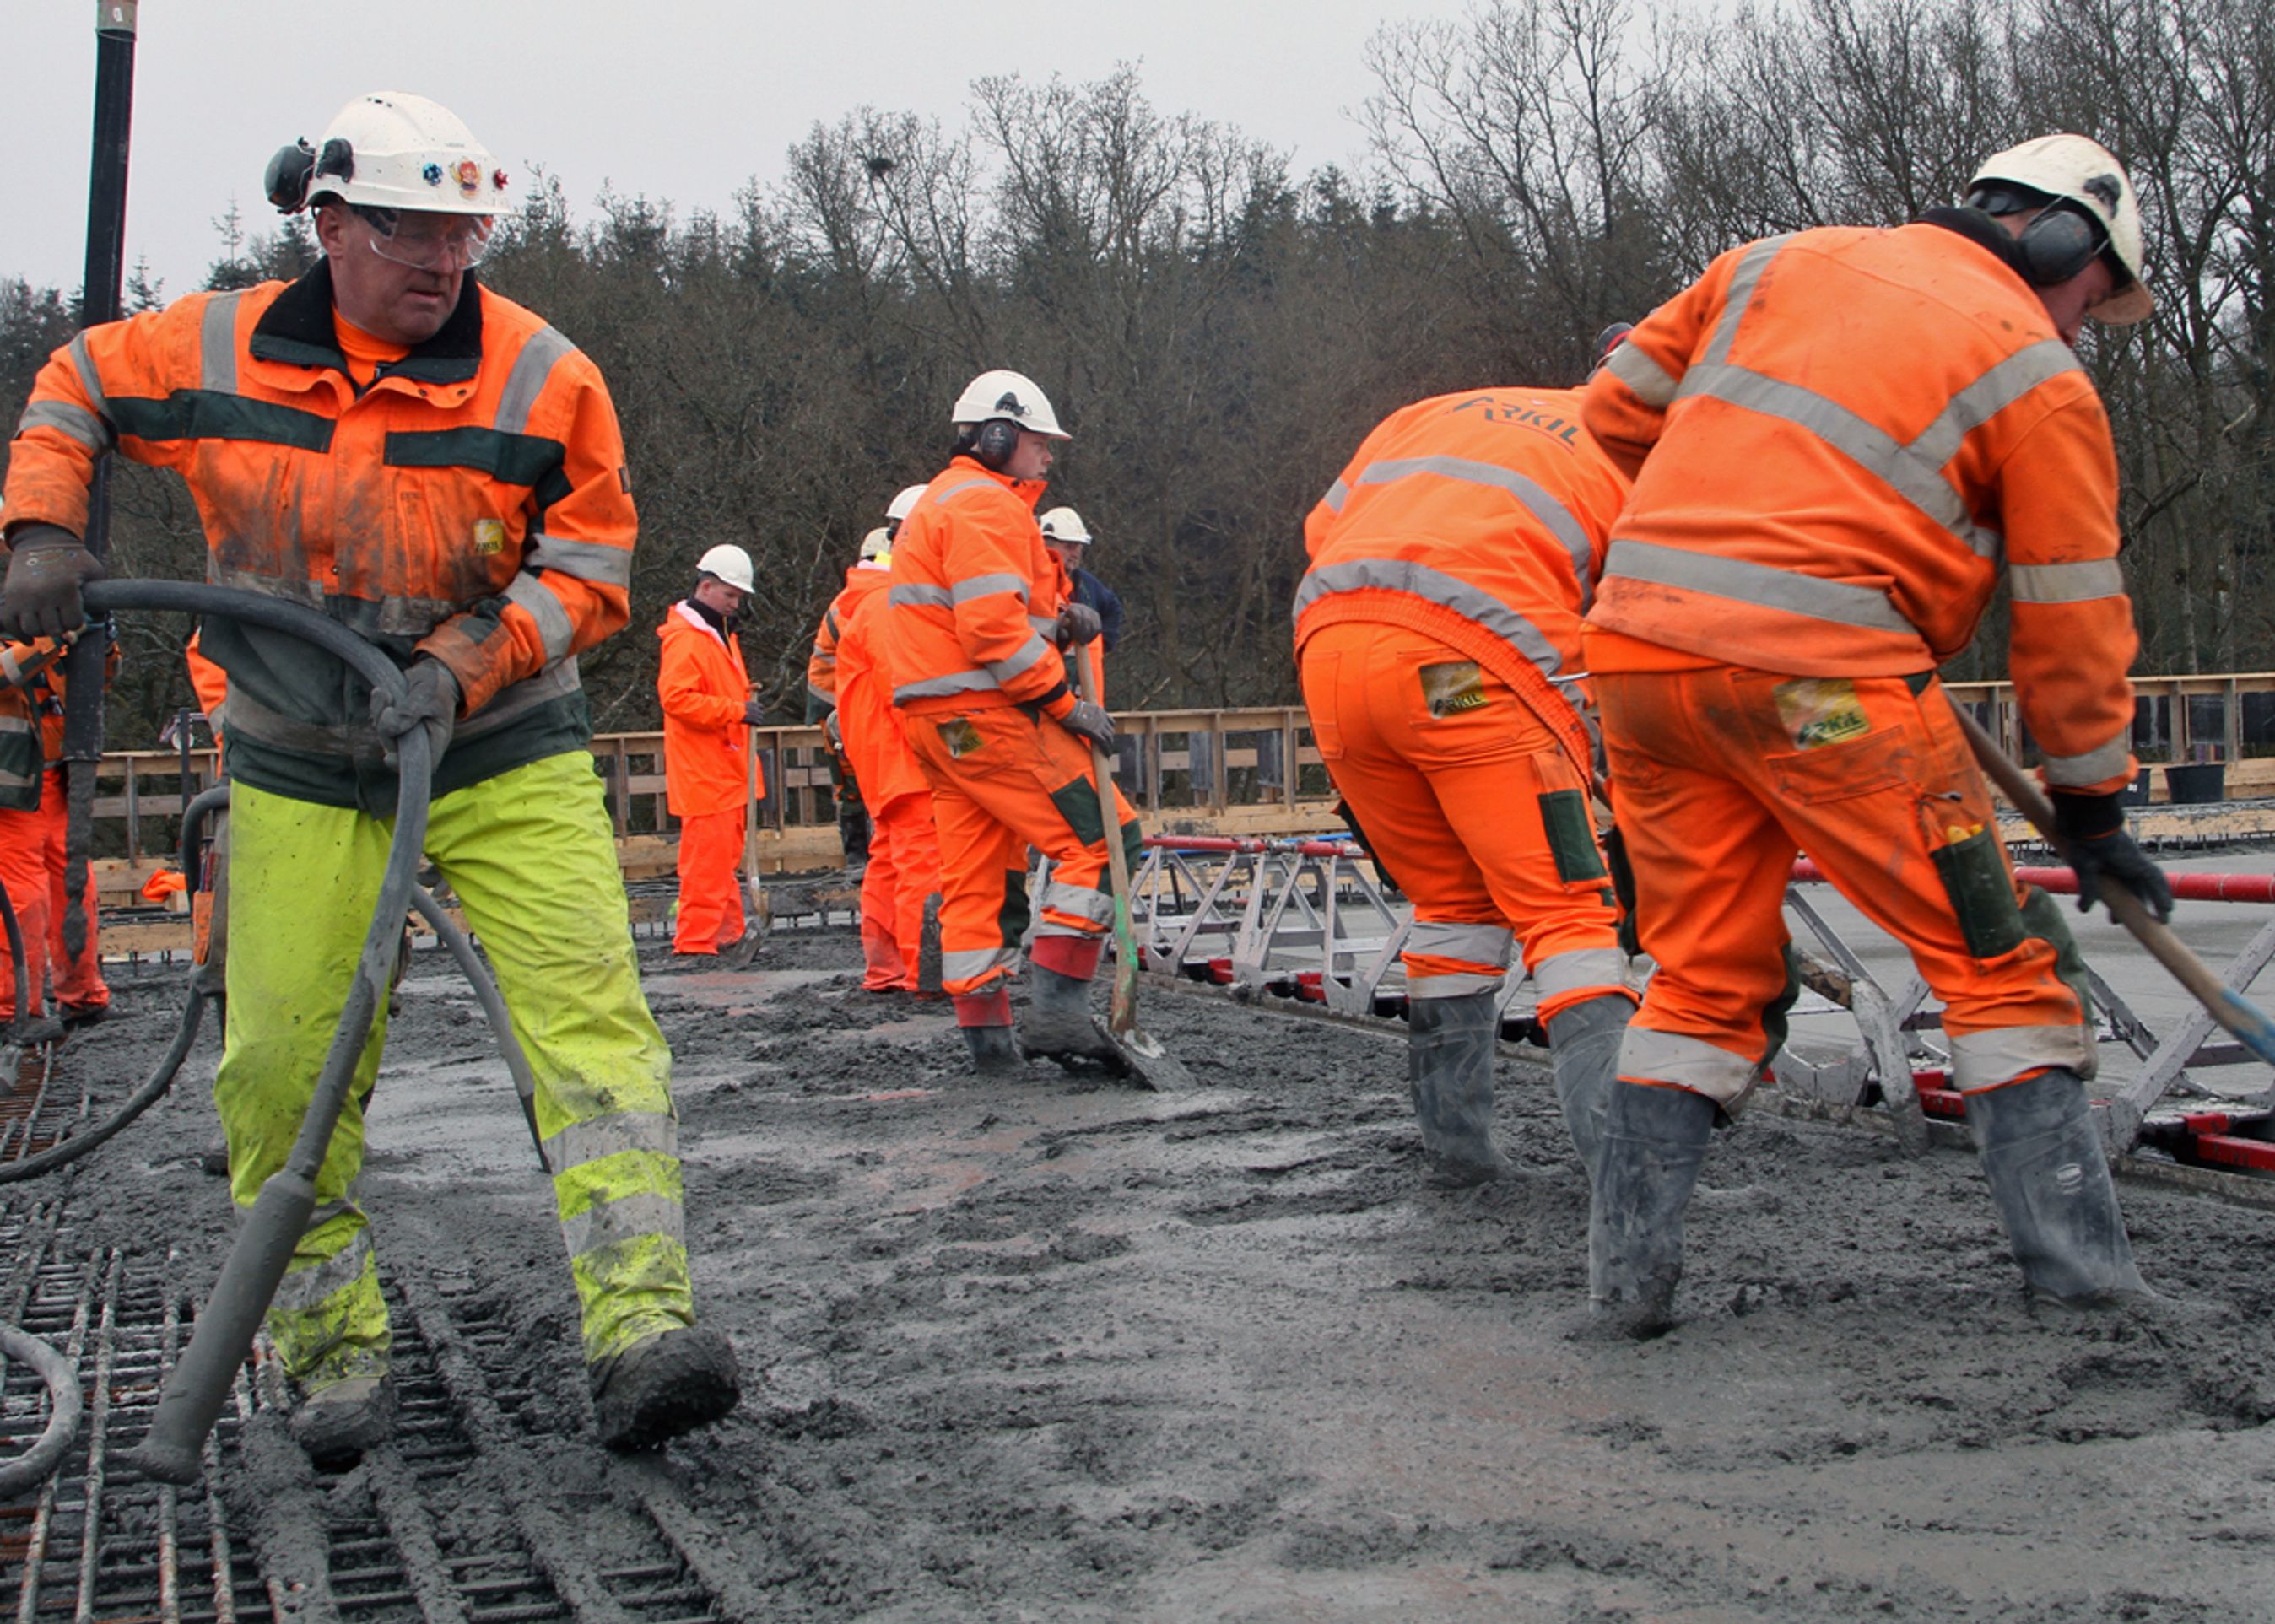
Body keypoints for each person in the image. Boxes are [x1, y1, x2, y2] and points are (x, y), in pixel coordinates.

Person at [0, 91, 738, 1459]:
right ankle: (331, 1360)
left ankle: (644, 1329)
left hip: (499, 746)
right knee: (281, 1067)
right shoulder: (219, 346)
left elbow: (586, 567)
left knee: (586, 1027)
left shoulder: (540, 375)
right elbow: (73, 383)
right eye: (414, 234)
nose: (444, 265)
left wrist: (466, 657)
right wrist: (43, 525)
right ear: (329, 222)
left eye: (465, 237)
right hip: (300, 760)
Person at [1577, 133, 2168, 1335]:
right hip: (1828, 694)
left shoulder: (1772, 264)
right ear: (2066, 244)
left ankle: (1624, 1295)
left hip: (1640, 666)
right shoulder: (2039, 378)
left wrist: (1734, 534)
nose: (2084, 324)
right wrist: (2094, 807)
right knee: (2001, 963)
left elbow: (1613, 408)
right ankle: (2089, 1292)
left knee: (1697, 980)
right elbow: (2070, 615)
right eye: (2094, 299)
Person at [1296, 380, 1637, 1188]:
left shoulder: (1433, 410)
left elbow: (1322, 529)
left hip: (1332, 659)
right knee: (1568, 915)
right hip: (1470, 671)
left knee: (1454, 909)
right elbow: (1646, 631)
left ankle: (1458, 1155)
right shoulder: (1641, 456)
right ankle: (1634, 1181)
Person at [884, 369, 1131, 1071]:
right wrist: (1066, 705)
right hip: (988, 715)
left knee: (978, 879)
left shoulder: (943, 503)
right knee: (1107, 840)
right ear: (998, 436)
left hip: (939, 729)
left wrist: (1056, 622)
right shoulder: (987, 506)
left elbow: (982, 613)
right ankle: (1056, 1013)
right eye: (1039, 442)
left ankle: (988, 1041)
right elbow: (992, 632)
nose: (1049, 456)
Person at [832, 531, 943, 995]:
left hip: (886, 766)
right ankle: (924, 971)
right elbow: (910, 694)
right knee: (922, 865)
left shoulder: (870, 604)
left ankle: (889, 966)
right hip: (908, 764)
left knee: (890, 864)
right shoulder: (885, 607)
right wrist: (965, 746)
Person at [657, 544, 763, 958]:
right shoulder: (688, 640)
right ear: (706, 586)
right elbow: (677, 700)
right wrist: (737, 711)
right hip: (707, 773)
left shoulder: (715, 635)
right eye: (730, 596)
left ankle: (725, 934)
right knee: (706, 865)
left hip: (724, 768)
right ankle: (697, 942)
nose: (735, 604)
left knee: (721, 863)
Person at [807, 503, 913, 866]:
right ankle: (855, 856)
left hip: (855, 712)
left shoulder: (855, 601)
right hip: (849, 711)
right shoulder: (874, 604)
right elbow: (899, 686)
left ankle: (859, 860)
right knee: (852, 787)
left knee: (865, 795)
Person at [1038, 505, 1121, 704]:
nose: (1075, 553)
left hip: (1083, 695)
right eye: (1069, 546)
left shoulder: (1082, 585)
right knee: (959, 733)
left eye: (1078, 547)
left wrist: (1102, 643)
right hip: (1050, 693)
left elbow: (1112, 608)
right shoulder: (1033, 583)